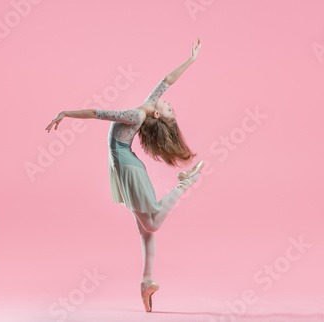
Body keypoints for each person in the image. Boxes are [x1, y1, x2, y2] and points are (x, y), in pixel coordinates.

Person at [45, 36, 204, 312]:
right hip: (122, 167)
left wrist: (65, 112)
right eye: (170, 107)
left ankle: (184, 183)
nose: (169, 105)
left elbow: (98, 113)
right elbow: (167, 79)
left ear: (157, 116)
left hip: (129, 168)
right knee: (146, 231)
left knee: (152, 225)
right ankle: (147, 282)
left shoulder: (137, 115)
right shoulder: (149, 105)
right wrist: (191, 60)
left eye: (169, 110)